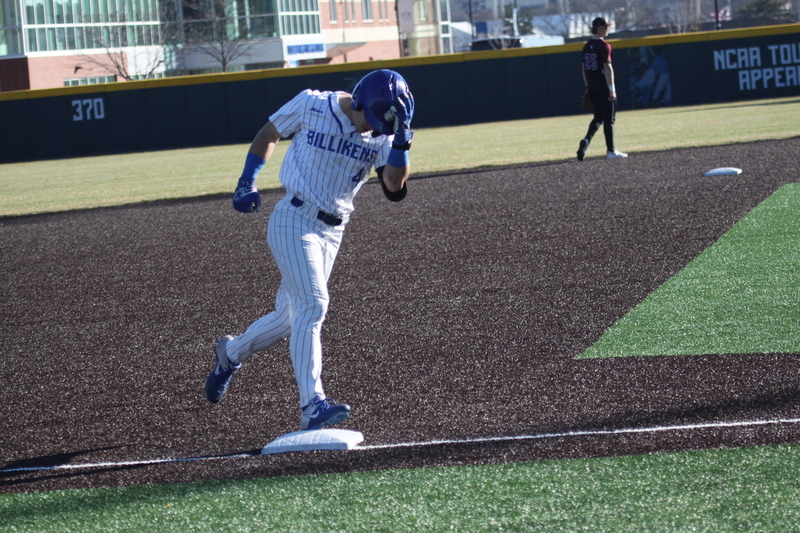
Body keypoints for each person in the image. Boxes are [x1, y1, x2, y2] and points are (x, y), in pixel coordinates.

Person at [204, 69, 414, 431]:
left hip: (333, 232)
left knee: (289, 319)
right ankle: (312, 404)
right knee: (314, 305)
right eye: (373, 121)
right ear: (360, 100)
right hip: (293, 217)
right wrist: (246, 182)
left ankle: (230, 353)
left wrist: (401, 140)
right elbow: (270, 132)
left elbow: (393, 187)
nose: (374, 130)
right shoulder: (314, 104)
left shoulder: (387, 132)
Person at [577, 17, 627, 161]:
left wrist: (588, 86)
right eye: (605, 27)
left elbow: (583, 69)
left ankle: (586, 140)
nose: (607, 29)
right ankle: (611, 151)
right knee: (609, 119)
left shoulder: (586, 46)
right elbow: (607, 66)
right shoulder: (604, 46)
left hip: (592, 85)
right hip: (603, 85)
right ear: (599, 28)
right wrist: (612, 89)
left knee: (598, 117)